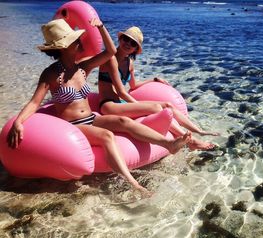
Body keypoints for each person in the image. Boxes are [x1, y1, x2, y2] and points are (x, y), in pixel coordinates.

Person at [6, 18, 190, 198]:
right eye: (75, 40)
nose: (79, 42)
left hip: (92, 118)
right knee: (107, 136)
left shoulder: (83, 67)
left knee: (123, 121)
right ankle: (133, 183)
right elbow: (34, 103)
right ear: (63, 47)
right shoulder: (51, 74)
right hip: (73, 125)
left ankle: (169, 144)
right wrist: (18, 122)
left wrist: (101, 27)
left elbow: (110, 51)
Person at [97, 26, 219, 151]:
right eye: (126, 39)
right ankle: (191, 141)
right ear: (120, 39)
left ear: (135, 48)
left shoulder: (129, 63)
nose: (128, 44)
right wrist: (140, 105)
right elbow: (121, 92)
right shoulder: (110, 59)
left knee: (167, 105)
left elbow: (133, 85)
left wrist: (154, 79)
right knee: (155, 108)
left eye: (133, 43)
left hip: (121, 103)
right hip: (109, 105)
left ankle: (199, 131)